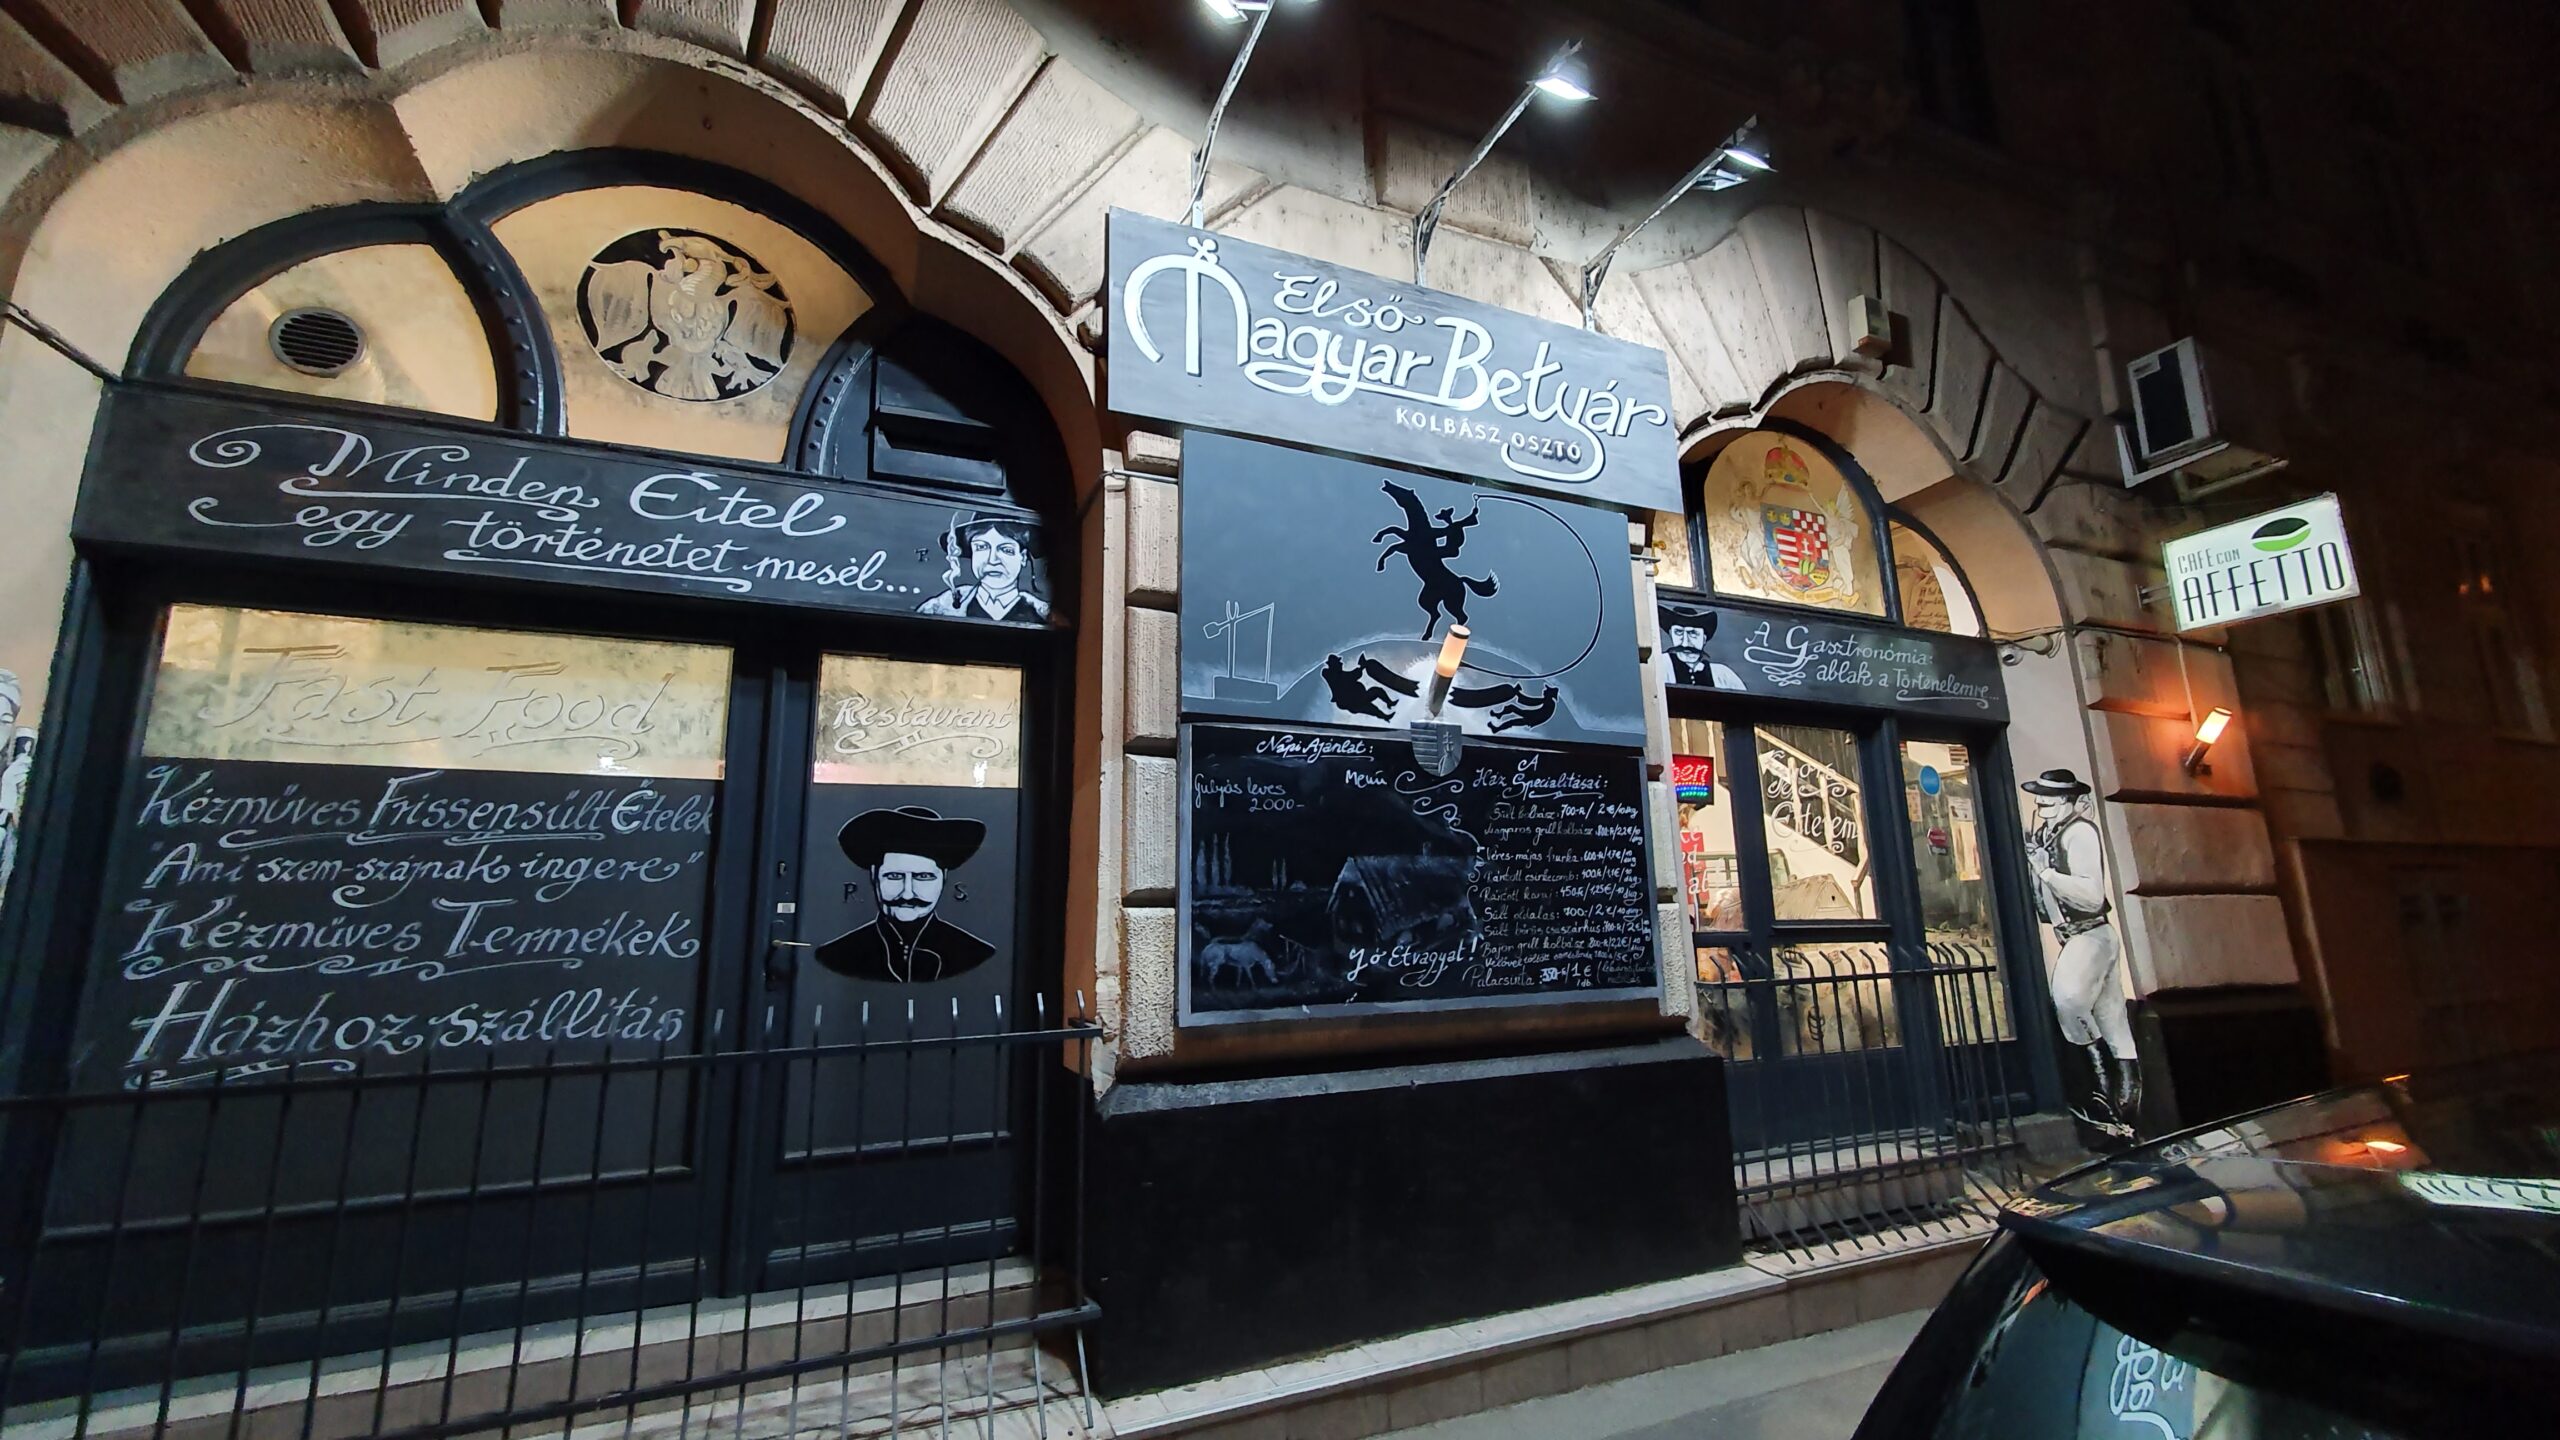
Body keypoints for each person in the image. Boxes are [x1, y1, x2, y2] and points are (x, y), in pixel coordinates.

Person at [2021, 768, 2140, 1133]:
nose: (2041, 804)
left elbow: (2092, 896)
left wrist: (2046, 873)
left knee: (2069, 1000)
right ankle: (2125, 1104)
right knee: (2110, 1016)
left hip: (2089, 934)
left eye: (2049, 799)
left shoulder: (2080, 833)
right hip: (2077, 936)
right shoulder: (2048, 833)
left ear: (2068, 801)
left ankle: (2099, 1086)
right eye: (2039, 798)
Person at [813, 805, 996, 984]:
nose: (907, 893)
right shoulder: (837, 955)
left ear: (943, 878)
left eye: (923, 877)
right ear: (874, 876)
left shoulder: (975, 953)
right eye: (894, 876)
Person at [917, 516, 1048, 622]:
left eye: (1006, 550)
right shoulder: (940, 609)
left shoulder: (1044, 616)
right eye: (981, 547)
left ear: (1023, 557)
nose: (992, 560)